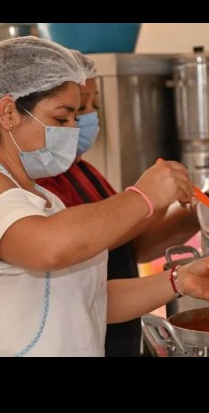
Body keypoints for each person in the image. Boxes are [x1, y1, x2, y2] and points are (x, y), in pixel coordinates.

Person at [0, 36, 209, 357]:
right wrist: (143, 197)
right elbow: (49, 248)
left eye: (75, 119)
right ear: (8, 113)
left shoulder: (43, 199)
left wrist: (178, 280)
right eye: (61, 118)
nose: (72, 131)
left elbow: (89, 303)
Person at [37, 51, 200, 357]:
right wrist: (144, 198)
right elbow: (82, 282)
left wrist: (195, 215)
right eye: (72, 111)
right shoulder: (39, 188)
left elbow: (130, 246)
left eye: (93, 106)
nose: (86, 118)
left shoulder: (84, 171)